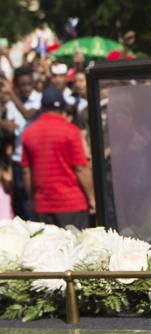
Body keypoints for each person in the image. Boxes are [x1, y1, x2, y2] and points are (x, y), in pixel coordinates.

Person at [20, 87, 94, 228]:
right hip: (72, 203)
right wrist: (91, 197)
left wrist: (32, 199)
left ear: (42, 106)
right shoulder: (71, 131)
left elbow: (26, 171)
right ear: (63, 107)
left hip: (43, 205)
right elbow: (81, 168)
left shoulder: (29, 133)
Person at [1, 66, 40, 219]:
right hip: (18, 159)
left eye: (29, 84)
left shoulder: (38, 98)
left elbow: (28, 115)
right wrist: (5, 125)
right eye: (22, 85)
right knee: (21, 202)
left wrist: (11, 94)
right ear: (17, 84)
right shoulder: (11, 105)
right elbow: (10, 129)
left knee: (32, 199)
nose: (26, 88)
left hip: (34, 159)